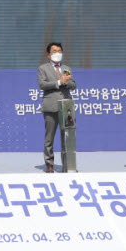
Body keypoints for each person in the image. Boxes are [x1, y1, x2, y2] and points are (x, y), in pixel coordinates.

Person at [37, 42, 75, 173]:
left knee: (67, 136)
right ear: (48, 54)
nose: (57, 53)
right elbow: (42, 84)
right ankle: (49, 164)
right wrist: (59, 82)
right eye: (54, 51)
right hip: (51, 105)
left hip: (66, 106)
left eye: (59, 51)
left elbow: (73, 84)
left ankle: (68, 164)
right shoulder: (43, 68)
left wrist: (68, 82)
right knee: (50, 137)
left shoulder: (66, 68)